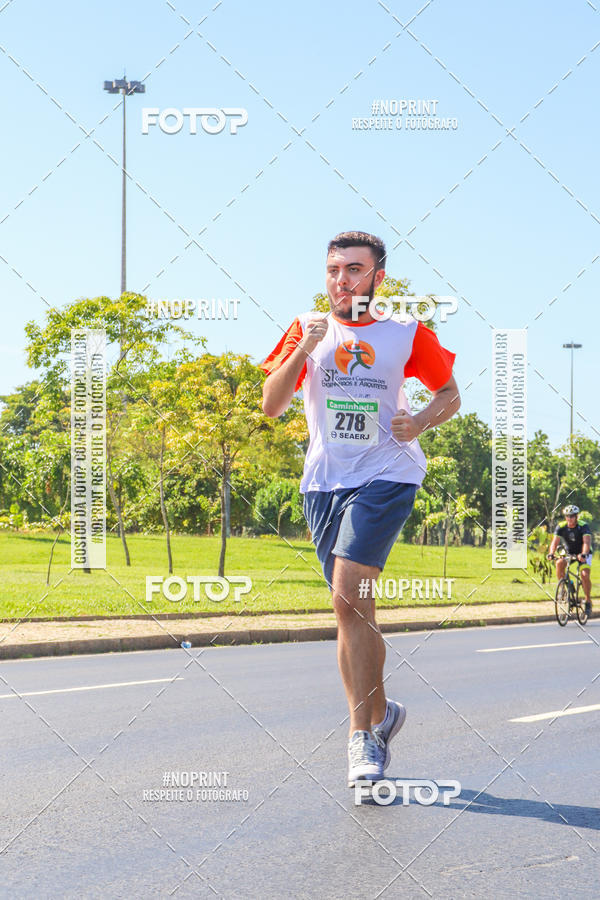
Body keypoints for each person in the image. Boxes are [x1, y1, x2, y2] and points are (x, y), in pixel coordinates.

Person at [260, 231, 460, 786]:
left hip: (387, 474)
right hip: (324, 483)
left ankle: (361, 738)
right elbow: (271, 406)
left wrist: (420, 421)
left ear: (378, 278)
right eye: (332, 270)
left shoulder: (406, 333)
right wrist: (305, 348)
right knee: (354, 610)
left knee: (349, 594)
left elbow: (450, 394)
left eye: (353, 269)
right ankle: (383, 713)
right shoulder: (306, 328)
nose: (341, 280)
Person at [547, 505, 592, 617]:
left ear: (576, 517)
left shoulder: (583, 526)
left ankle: (588, 601)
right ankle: (565, 587)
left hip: (583, 553)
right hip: (569, 553)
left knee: (584, 575)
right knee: (559, 563)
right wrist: (551, 553)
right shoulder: (561, 526)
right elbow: (554, 542)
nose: (569, 518)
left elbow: (586, 542)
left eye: (572, 516)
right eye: (567, 516)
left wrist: (583, 554)